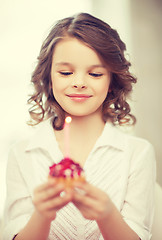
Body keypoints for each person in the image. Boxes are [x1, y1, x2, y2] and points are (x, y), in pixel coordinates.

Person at [3, 12, 156, 240]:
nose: (79, 83)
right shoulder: (22, 154)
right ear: (49, 77)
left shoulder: (137, 154)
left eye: (95, 73)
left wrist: (107, 215)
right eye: (66, 72)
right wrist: (41, 216)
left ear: (112, 81)